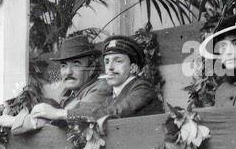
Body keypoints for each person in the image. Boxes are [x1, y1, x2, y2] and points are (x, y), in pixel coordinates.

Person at [32, 37, 163, 123]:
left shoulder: (142, 89)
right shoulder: (112, 96)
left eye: (118, 61)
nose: (110, 68)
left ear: (133, 67)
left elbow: (114, 113)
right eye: (107, 61)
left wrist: (60, 114)